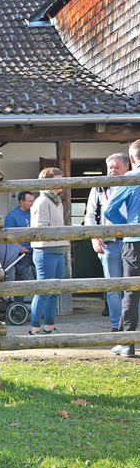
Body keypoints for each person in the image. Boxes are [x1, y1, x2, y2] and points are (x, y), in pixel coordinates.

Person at [85, 153, 131, 334]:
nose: (112, 171)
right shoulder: (99, 188)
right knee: (113, 287)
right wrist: (94, 238)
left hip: (132, 242)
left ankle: (131, 324)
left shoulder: (134, 185)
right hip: (109, 243)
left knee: (133, 285)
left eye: (116, 167)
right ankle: (116, 326)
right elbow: (89, 215)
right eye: (110, 167)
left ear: (127, 168)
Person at [104, 139, 140, 357]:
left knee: (131, 292)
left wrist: (126, 227)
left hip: (135, 241)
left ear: (133, 159)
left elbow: (110, 210)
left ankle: (127, 343)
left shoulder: (130, 178)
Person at [29, 167, 68, 334]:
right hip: (45, 250)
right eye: (58, 179)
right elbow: (40, 228)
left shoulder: (56, 201)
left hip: (59, 249)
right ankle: (35, 328)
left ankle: (49, 326)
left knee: (55, 291)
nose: (62, 182)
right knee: (43, 290)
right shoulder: (42, 201)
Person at [3, 191, 36, 301]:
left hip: (37, 250)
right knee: (20, 282)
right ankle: (19, 307)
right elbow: (9, 238)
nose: (33, 203)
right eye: (30, 201)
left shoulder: (35, 213)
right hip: (22, 255)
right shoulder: (12, 217)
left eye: (33, 200)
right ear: (21, 202)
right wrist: (22, 249)